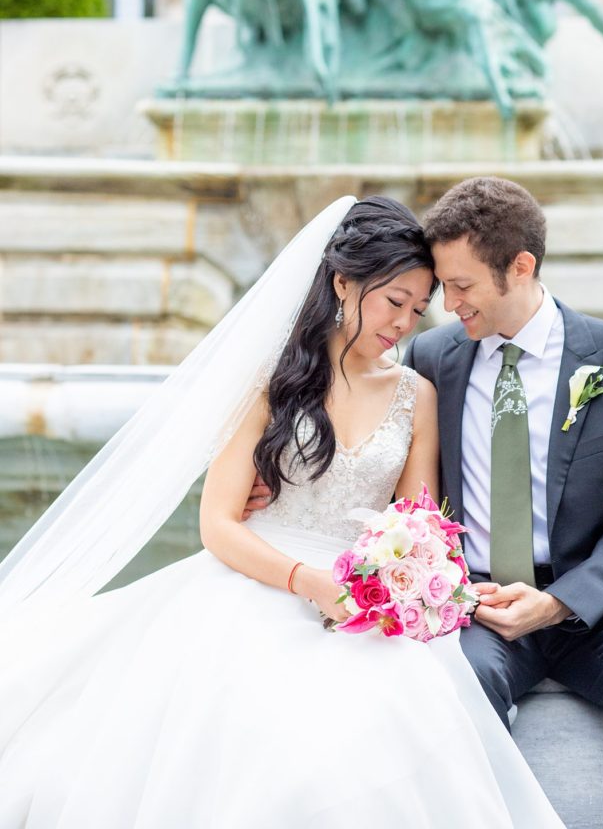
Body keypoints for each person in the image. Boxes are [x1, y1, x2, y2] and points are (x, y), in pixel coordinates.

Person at [0, 196, 564, 829]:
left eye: (417, 307)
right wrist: (307, 582)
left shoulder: (417, 395)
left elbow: (418, 523)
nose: (405, 323)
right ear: (342, 282)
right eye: (392, 301)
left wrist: (425, 584)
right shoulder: (269, 382)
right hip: (253, 586)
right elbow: (217, 525)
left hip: (360, 606)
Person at [403, 176, 603, 829]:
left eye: (461, 286)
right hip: (479, 605)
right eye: (441, 285)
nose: (445, 302)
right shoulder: (430, 359)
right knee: (454, 685)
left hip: (602, 602)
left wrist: (561, 600)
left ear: (520, 267)